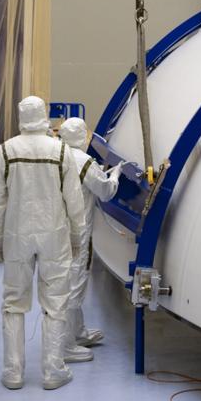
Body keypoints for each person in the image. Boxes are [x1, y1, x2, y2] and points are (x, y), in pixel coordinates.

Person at [0, 95, 87, 391]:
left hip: (17, 235)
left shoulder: (5, 151)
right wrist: (76, 236)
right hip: (54, 234)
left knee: (13, 303)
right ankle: (52, 370)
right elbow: (74, 198)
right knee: (55, 303)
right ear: (43, 115)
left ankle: (13, 372)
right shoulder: (59, 151)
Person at [57, 117, 121, 352]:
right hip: (77, 230)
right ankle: (67, 343)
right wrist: (115, 175)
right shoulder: (83, 161)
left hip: (55, 228)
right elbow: (104, 192)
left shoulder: (55, 155)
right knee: (75, 282)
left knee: (63, 280)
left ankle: (77, 332)